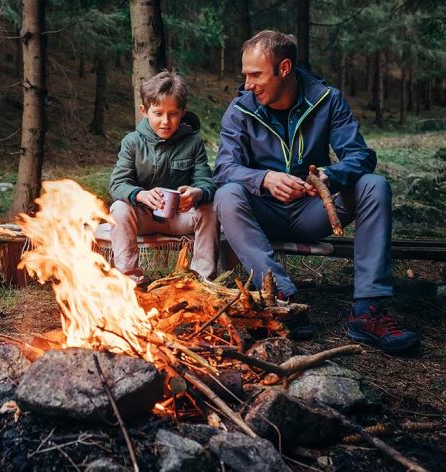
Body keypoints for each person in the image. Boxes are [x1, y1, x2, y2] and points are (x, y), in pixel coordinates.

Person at [213, 30, 419, 352]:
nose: (248, 84)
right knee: (226, 195)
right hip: (261, 213)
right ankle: (282, 298)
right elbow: (224, 169)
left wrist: (327, 176)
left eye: (256, 75)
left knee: (374, 186)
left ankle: (368, 311)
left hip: (314, 211)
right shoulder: (240, 110)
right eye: (246, 75)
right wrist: (265, 178)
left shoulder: (326, 99)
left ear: (284, 68)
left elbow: (361, 156)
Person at [109, 71, 218, 286]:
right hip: (144, 218)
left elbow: (207, 184)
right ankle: (130, 281)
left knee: (210, 209)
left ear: (183, 112)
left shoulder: (192, 143)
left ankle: (202, 282)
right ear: (144, 111)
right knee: (119, 209)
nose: (165, 121)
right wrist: (140, 195)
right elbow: (117, 184)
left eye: (173, 114)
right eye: (158, 113)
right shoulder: (132, 143)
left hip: (181, 217)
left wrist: (196, 193)